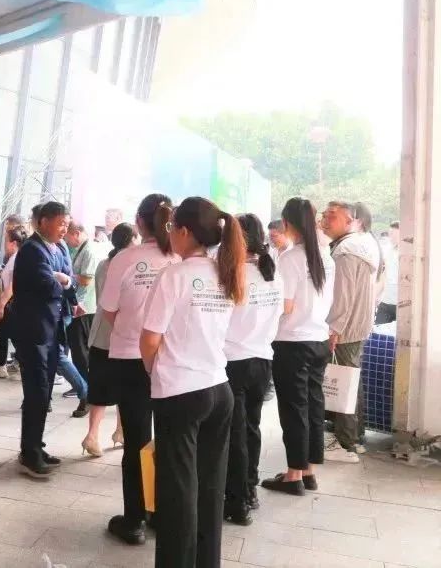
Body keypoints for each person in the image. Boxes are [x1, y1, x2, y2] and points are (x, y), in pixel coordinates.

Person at [140, 197, 244, 568]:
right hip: (219, 388)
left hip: (181, 393)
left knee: (177, 492)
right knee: (210, 489)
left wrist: (156, 372)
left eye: (171, 228)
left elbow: (149, 339)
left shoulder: (176, 275)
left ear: (183, 231)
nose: (169, 234)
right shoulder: (225, 270)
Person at [101, 193, 178, 545]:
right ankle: (161, 512)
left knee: (136, 440)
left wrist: (133, 328)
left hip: (130, 358)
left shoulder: (124, 259)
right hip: (171, 359)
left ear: (139, 221)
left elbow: (109, 311)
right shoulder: (179, 258)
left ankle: (134, 520)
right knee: (170, 438)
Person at [262, 197, 335, 496]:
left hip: (293, 342)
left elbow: (286, 306)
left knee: (294, 409)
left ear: (287, 224)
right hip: (318, 340)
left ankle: (293, 475)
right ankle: (309, 472)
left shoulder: (290, 258)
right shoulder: (326, 258)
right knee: (314, 406)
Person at [217, 213, 283, 526]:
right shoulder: (272, 272)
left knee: (236, 433)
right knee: (252, 428)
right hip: (263, 360)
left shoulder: (235, 273)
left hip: (235, 361)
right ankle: (250, 490)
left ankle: (237, 501)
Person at [11, 202, 76, 478]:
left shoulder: (59, 248)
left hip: (52, 331)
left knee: (45, 392)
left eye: (67, 224)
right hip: (33, 332)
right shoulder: (32, 250)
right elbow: (47, 286)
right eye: (60, 223)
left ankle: (36, 444)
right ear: (44, 221)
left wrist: (63, 279)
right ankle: (29, 452)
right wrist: (60, 280)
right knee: (36, 391)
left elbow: (69, 280)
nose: (64, 229)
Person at [320, 200, 381, 461]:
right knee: (350, 381)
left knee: (343, 383)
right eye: (324, 215)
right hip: (357, 324)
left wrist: (334, 329)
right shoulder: (363, 243)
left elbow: (342, 296)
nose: (325, 220)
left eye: (332, 216)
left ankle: (346, 443)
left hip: (345, 328)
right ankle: (356, 436)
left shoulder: (346, 251)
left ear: (351, 221)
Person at [81, 223, 135, 457]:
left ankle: (98, 434)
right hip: (120, 336)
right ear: (131, 240)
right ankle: (113, 433)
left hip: (100, 335)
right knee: (124, 386)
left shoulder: (105, 264)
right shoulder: (129, 266)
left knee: (101, 388)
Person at [0, 226, 27, 379]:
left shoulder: (17, 258)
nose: (4, 245)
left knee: (13, 335)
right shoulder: (14, 257)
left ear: (13, 243)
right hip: (10, 302)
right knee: (3, 333)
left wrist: (2, 304)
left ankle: (21, 366)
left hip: (12, 303)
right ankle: (1, 365)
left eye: (6, 241)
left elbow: (13, 285)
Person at [66, 222, 98, 391]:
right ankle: (84, 384)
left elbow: (86, 279)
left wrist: (68, 276)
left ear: (76, 233)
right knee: (78, 350)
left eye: (68, 237)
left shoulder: (89, 251)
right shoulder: (82, 249)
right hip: (80, 305)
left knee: (80, 351)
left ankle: (85, 386)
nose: (67, 241)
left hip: (85, 307)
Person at [377, 221, 399, 324]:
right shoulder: (388, 251)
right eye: (390, 234)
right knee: (378, 331)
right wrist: (376, 296)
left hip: (401, 304)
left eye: (393, 234)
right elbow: (384, 276)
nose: (391, 237)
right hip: (385, 302)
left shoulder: (409, 253)